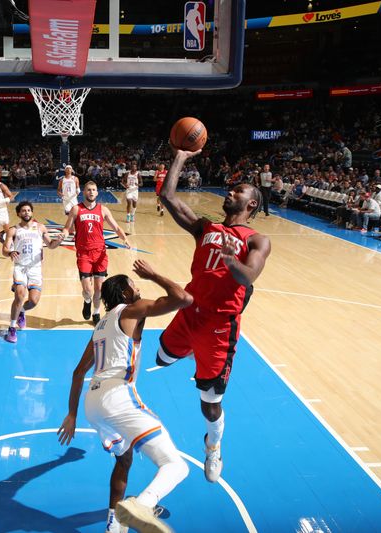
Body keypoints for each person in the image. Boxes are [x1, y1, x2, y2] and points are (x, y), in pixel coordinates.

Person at [157, 147, 271, 483]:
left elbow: (247, 277)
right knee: (161, 358)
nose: (230, 192)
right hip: (189, 310)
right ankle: (189, 348)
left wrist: (230, 260)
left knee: (209, 401)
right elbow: (167, 195)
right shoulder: (204, 227)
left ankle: (213, 444)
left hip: (220, 326)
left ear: (251, 204)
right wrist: (180, 155)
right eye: (231, 188)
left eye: (238, 191)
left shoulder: (257, 240)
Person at [58, 259, 193, 533]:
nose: (139, 289)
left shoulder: (100, 326)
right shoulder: (132, 310)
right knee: (175, 465)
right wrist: (154, 274)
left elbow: (77, 373)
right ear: (124, 294)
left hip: (93, 404)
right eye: (135, 286)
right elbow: (184, 299)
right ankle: (142, 505)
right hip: (118, 396)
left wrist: (72, 414)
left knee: (124, 459)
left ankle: (113, 524)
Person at [60, 181, 130, 326]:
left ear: (97, 193)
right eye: (88, 190)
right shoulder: (76, 209)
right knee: (87, 289)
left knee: (99, 288)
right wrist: (63, 234)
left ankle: (96, 312)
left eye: (94, 190)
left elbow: (116, 226)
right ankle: (87, 301)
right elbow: (67, 228)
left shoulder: (103, 210)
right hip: (84, 253)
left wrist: (124, 238)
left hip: (100, 253)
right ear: (84, 192)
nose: (91, 192)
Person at [2, 201, 62, 343]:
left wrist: (58, 241)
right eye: (23, 210)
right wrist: (10, 252)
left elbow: (51, 245)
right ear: (18, 213)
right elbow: (4, 250)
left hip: (35, 268)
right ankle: (11, 327)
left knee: (34, 301)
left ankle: (21, 311)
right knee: (20, 295)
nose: (27, 212)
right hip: (20, 267)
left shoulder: (40, 228)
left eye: (29, 210)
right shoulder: (13, 230)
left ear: (32, 212)